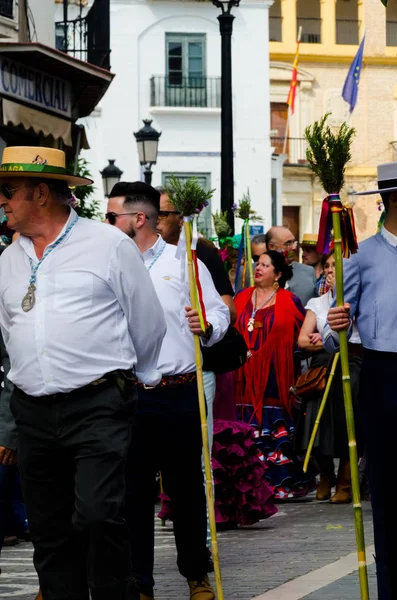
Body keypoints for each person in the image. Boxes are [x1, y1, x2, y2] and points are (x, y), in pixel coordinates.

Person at [0, 146, 167, 600]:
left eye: (8, 191)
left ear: (41, 192)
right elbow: (9, 334)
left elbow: (147, 322)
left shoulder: (107, 243)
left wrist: (134, 381)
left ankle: (117, 591)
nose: (2, 200)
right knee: (49, 530)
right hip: (32, 410)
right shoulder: (8, 259)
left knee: (96, 514)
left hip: (97, 404)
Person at [107, 181, 230, 600]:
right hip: (130, 395)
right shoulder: (111, 264)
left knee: (187, 491)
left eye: (112, 218)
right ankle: (140, 582)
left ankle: (197, 575)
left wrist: (208, 326)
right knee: (133, 494)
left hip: (179, 392)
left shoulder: (184, 262)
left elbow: (219, 311)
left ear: (138, 219)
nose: (107, 225)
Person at [323, 162, 397, 600]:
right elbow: (337, 337)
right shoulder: (361, 257)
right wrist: (338, 325)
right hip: (385, 376)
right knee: (388, 489)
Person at [234, 250, 315, 499]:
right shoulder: (241, 299)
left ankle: (278, 483)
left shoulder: (289, 301)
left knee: (273, 422)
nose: (258, 268)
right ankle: (247, 484)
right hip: (242, 375)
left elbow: (302, 334)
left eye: (265, 265)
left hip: (274, 376)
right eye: (258, 264)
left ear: (278, 274)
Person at [296, 251, 362, 503]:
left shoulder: (357, 299)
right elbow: (303, 339)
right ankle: (326, 475)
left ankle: (345, 481)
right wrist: (325, 342)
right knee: (317, 419)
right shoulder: (317, 303)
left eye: (338, 266)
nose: (333, 270)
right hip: (323, 365)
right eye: (329, 266)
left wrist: (324, 337)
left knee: (349, 418)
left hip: (352, 362)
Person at [265, 226, 317, 305]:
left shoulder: (308, 272)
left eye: (294, 242)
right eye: (288, 243)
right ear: (272, 247)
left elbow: (316, 306)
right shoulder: (254, 272)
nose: (294, 247)